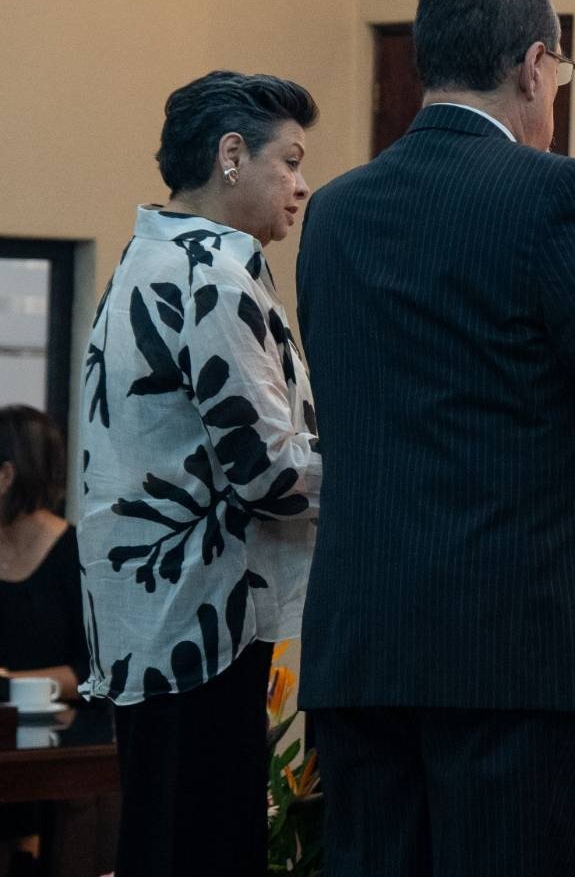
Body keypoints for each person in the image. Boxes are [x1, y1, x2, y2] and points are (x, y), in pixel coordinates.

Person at [296, 0, 575, 876]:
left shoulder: (337, 213)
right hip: (519, 644)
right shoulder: (557, 195)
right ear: (535, 66)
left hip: (366, 638)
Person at [77, 71, 321, 877]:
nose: (301, 184)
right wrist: (382, 467)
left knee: (162, 840)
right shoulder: (214, 267)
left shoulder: (148, 253)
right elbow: (269, 473)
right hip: (201, 617)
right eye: (288, 161)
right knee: (206, 850)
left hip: (149, 612)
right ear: (230, 156)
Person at [0, 404, 89, 876]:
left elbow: (92, 674)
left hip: (60, 736)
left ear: (6, 476)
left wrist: (12, 681)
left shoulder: (75, 555)